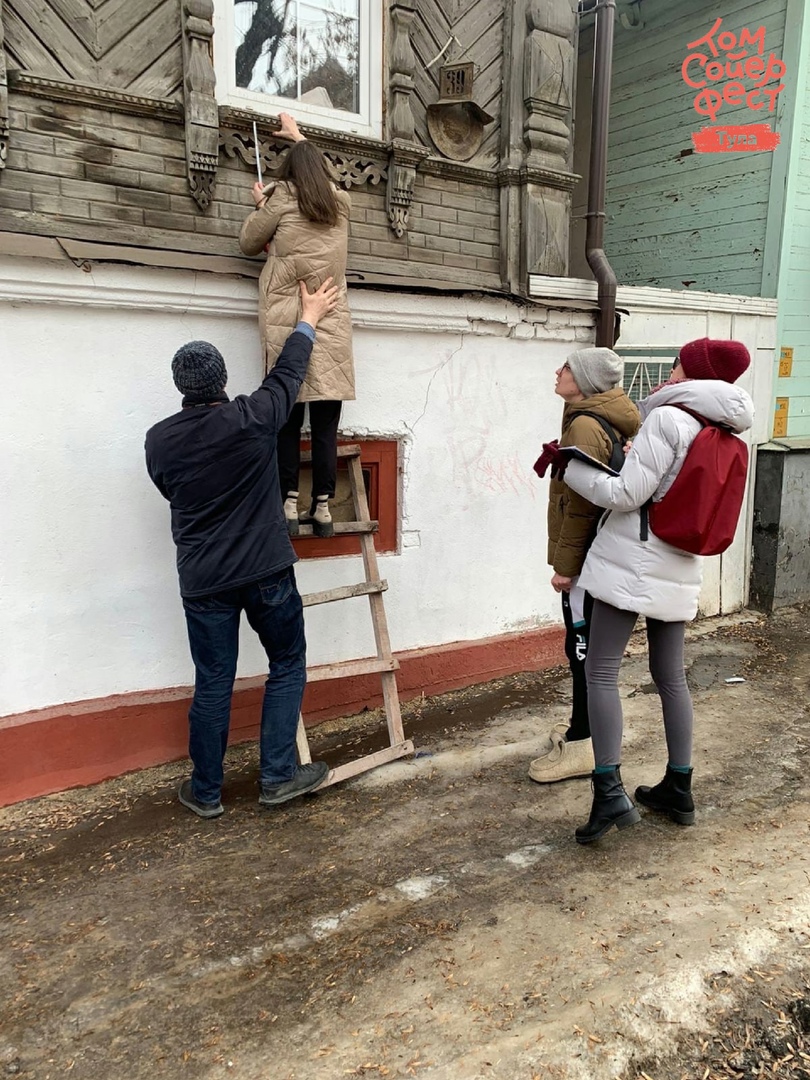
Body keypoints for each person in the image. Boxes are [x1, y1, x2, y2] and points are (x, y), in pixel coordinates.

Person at [145, 278, 339, 819]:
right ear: (222, 380)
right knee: (287, 663)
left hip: (204, 580)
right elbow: (288, 374)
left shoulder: (159, 439)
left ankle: (205, 792)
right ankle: (277, 775)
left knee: (213, 682)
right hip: (266, 571)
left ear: (181, 387)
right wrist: (309, 317)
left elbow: (167, 488)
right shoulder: (251, 418)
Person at [553, 338, 754, 843]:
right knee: (670, 677)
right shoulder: (722, 429)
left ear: (691, 371)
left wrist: (571, 464)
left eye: (676, 364)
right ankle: (678, 788)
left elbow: (627, 496)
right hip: (680, 563)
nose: (668, 371)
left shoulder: (668, 419)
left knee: (600, 671)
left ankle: (608, 794)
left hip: (633, 562)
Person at [239, 112, 354, 539]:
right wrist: (300, 136)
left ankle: (288, 502)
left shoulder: (281, 198)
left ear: (288, 174)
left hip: (290, 322)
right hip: (333, 320)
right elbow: (325, 178)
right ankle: (323, 507)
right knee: (326, 423)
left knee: (287, 416)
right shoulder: (340, 205)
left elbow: (249, 242)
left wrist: (261, 206)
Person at [530, 348, 639, 784]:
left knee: (582, 651)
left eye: (568, 367)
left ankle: (585, 744)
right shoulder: (588, 414)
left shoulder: (585, 424)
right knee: (583, 649)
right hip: (592, 557)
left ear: (587, 381)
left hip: (586, 562)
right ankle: (581, 728)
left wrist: (566, 566)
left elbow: (581, 508)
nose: (558, 371)